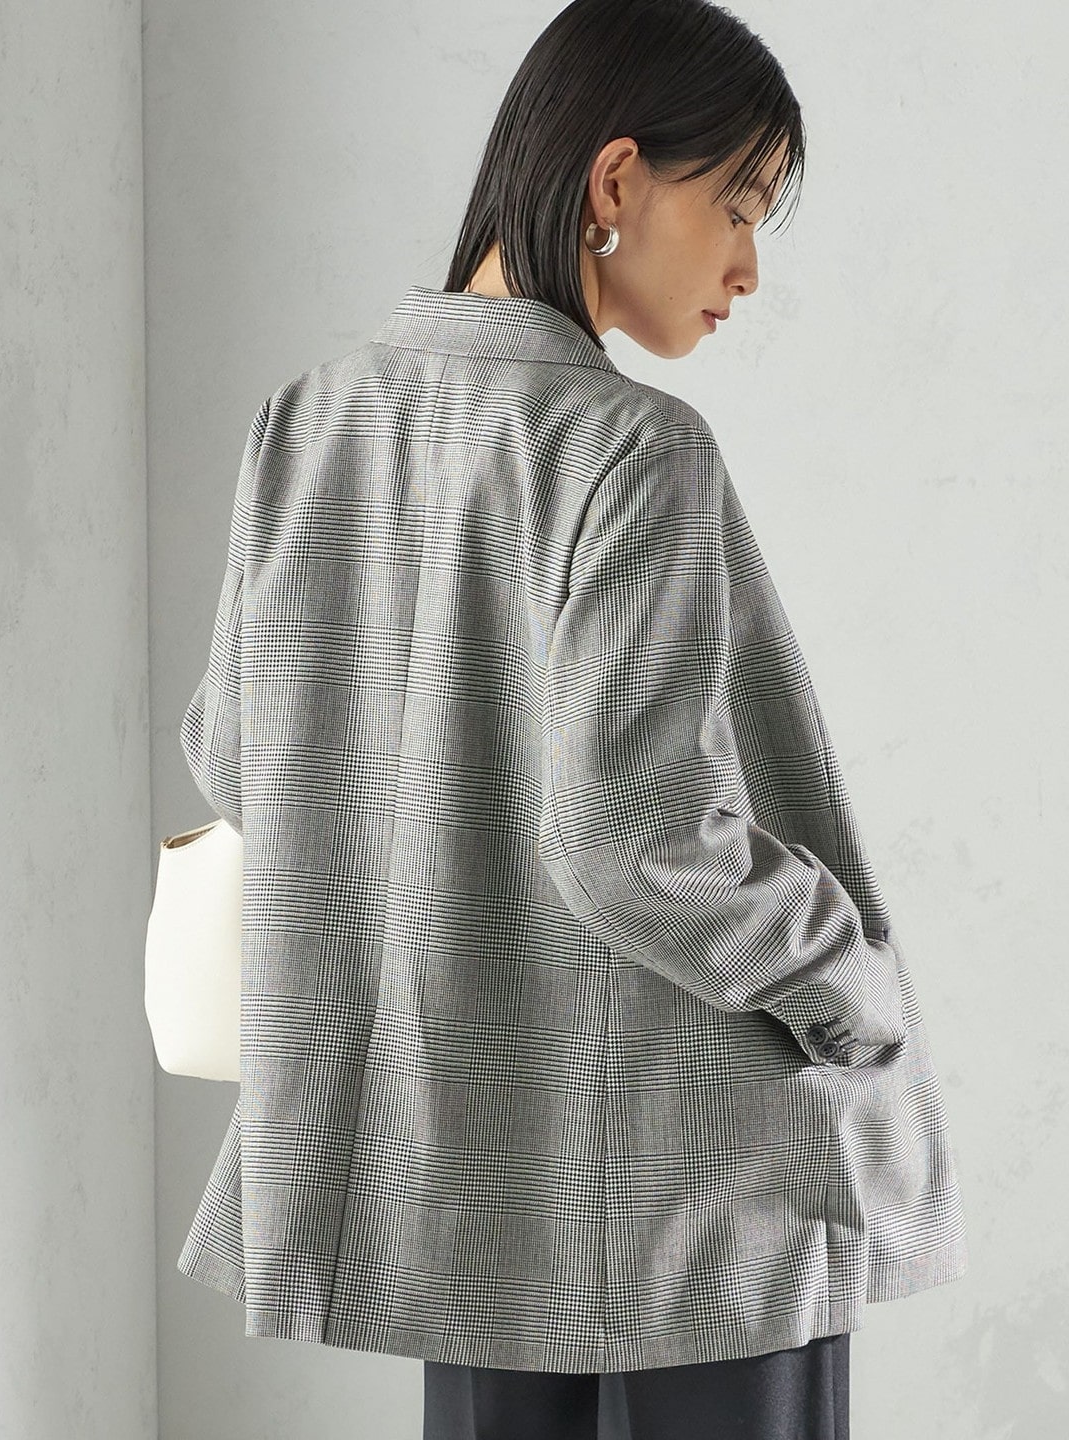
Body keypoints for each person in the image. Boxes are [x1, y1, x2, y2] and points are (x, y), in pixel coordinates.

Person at [175, 2, 968, 1436]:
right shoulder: (630, 447)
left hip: (459, 1185)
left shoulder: (307, 422)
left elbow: (238, 755)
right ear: (615, 179)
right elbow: (633, 845)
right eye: (739, 206)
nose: (748, 266)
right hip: (698, 1199)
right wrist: (851, 982)